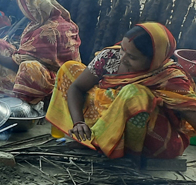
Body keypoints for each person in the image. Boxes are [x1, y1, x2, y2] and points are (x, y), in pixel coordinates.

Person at [47, 23, 196, 159]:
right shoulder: (110, 57)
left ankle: (124, 155)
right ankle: (88, 135)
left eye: (132, 57)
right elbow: (77, 88)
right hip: (102, 122)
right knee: (69, 69)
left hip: (147, 140)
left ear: (155, 60)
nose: (123, 58)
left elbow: (192, 112)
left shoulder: (171, 77)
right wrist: (78, 122)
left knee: (135, 94)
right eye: (123, 49)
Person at [0, 0, 81, 104]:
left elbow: (17, 64)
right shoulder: (44, 22)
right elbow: (24, 56)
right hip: (45, 71)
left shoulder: (48, 31)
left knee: (28, 67)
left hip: (60, 81)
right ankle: (6, 92)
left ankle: (31, 102)